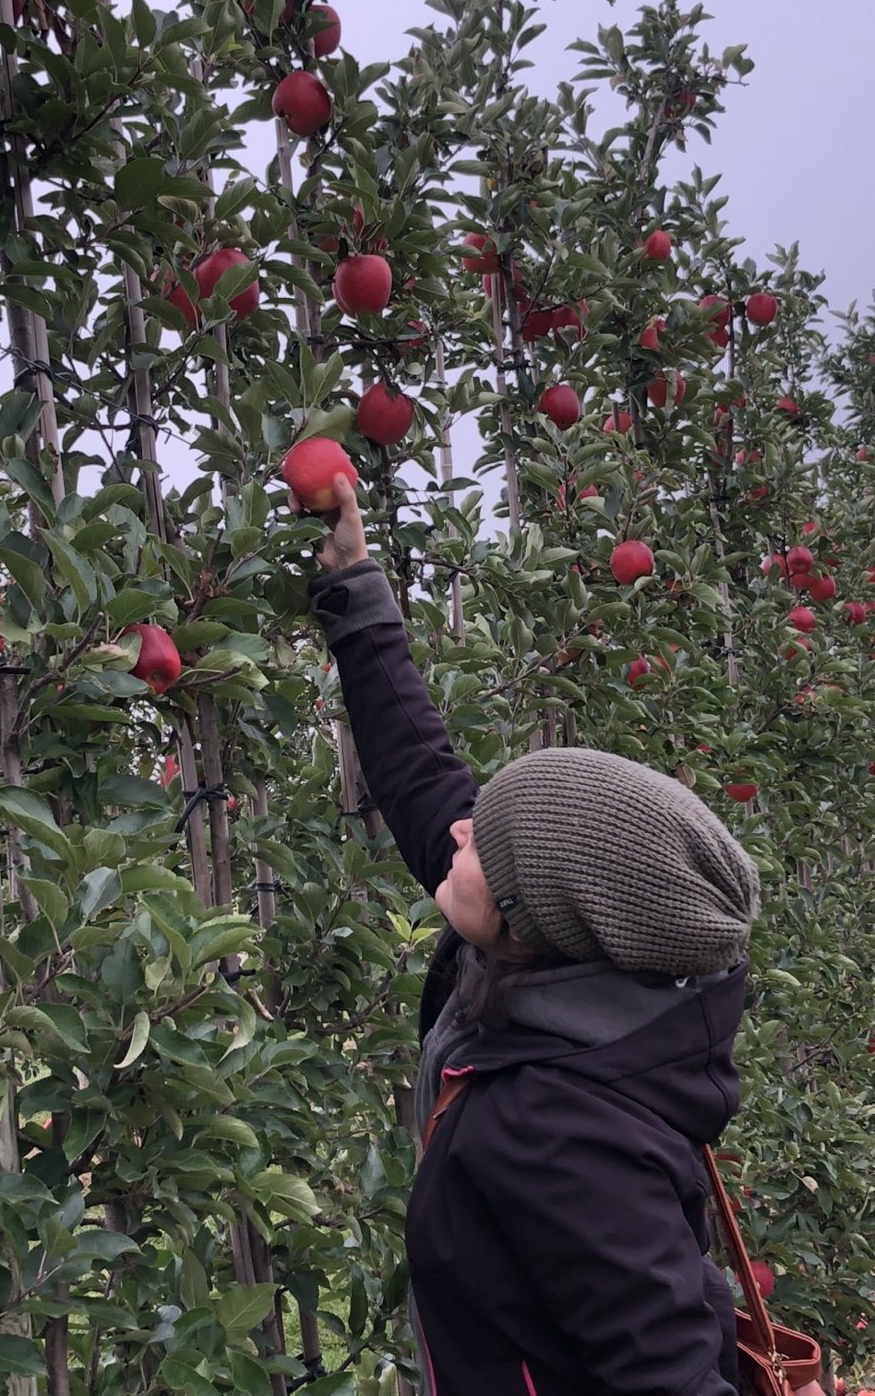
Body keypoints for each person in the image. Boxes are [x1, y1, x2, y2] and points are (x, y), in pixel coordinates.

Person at [301, 473, 760, 1396]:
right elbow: (429, 783)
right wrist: (353, 589)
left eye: (487, 842)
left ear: (535, 917)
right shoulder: (575, 979)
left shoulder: (554, 1125)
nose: (460, 831)